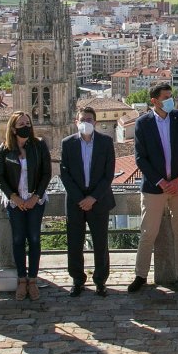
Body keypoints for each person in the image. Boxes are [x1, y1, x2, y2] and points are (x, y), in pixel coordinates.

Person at [131, 82, 178, 294]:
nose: (170, 100)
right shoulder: (142, 123)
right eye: (166, 97)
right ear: (154, 101)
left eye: (170, 96)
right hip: (153, 188)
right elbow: (141, 158)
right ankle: (140, 275)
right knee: (148, 233)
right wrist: (161, 181)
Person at [60, 106, 116, 298]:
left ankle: (101, 281)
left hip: (99, 201)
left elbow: (109, 175)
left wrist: (93, 198)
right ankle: (77, 280)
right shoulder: (67, 143)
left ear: (96, 123)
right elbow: (65, 174)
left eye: (90, 119)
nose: (86, 122)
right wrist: (80, 198)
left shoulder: (106, 142)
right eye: (83, 119)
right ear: (76, 122)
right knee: (74, 243)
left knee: (100, 243)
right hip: (75, 202)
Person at [0, 111, 52, 301]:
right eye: (21, 124)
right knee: (19, 239)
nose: (25, 126)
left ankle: (33, 280)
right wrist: (14, 197)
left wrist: (35, 196)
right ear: (13, 128)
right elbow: (0, 177)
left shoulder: (39, 145)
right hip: (15, 201)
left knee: (35, 239)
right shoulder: (5, 149)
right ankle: (22, 280)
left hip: (35, 200)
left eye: (27, 122)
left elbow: (47, 173)